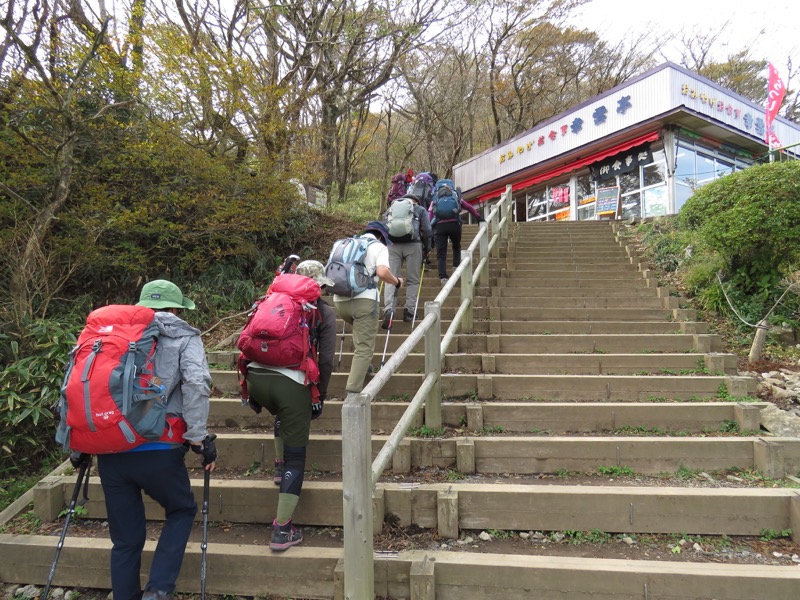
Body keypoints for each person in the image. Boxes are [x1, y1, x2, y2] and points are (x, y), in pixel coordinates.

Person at [90, 279, 216, 600]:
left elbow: (86, 382)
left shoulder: (113, 333)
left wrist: (79, 443)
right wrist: (198, 438)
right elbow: (197, 382)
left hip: (111, 446)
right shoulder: (184, 335)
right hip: (159, 447)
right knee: (181, 509)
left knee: (126, 540)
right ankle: (158, 591)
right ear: (176, 308)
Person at [244, 260, 337, 551]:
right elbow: (325, 360)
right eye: (322, 285)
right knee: (297, 453)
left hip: (256, 376)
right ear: (317, 284)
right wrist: (318, 394)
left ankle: (277, 465)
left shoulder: (270, 299)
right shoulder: (322, 311)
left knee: (285, 412)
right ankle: (282, 529)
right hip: (290, 382)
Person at [332, 221, 404, 394]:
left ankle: (364, 366)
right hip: (364, 301)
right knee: (364, 347)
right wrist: (397, 282)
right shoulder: (379, 247)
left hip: (339, 301)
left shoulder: (341, 244)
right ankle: (353, 392)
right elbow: (382, 272)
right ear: (381, 236)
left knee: (361, 336)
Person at [382, 193, 432, 327]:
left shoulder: (391, 208)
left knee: (391, 278)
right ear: (416, 201)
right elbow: (427, 230)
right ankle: (409, 311)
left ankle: (388, 309)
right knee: (413, 280)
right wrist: (427, 249)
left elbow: (383, 226)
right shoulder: (420, 210)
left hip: (392, 246)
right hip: (414, 245)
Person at [429, 187, 484, 285]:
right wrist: (478, 218)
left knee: (441, 253)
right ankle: (456, 267)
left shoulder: (435, 199)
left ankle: (443, 277)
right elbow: (469, 207)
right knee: (456, 246)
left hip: (440, 226)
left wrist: (430, 229)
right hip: (454, 225)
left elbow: (430, 214)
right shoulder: (455, 197)